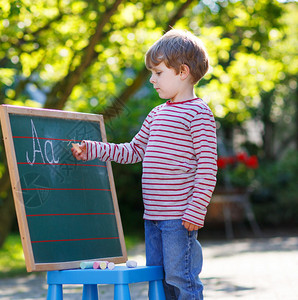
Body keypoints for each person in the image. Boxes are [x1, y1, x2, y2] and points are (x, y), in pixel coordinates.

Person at [71, 29, 217, 300]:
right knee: (158, 280)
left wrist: (196, 210)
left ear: (182, 72)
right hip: (153, 217)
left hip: (179, 218)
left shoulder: (199, 114)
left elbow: (208, 167)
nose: (152, 80)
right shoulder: (157, 113)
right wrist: (93, 149)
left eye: (158, 73)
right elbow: (134, 150)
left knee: (180, 279)